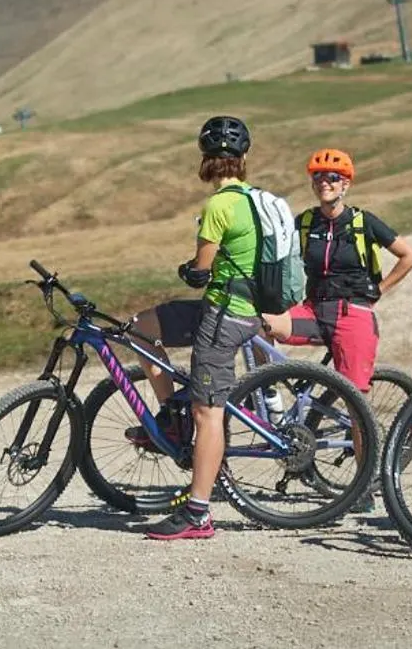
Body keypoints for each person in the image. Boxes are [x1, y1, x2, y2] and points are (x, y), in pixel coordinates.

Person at [138, 114, 267, 541]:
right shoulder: (256, 200)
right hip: (243, 309)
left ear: (204, 158)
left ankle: (198, 513)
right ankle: (171, 418)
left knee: (208, 411)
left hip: (225, 314)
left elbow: (200, 272)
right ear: (244, 157)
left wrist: (189, 268)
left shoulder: (218, 206)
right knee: (141, 328)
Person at [260, 148, 412, 395]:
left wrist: (378, 290)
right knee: (259, 324)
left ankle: (360, 423)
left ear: (345, 184)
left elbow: (409, 256)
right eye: (318, 176)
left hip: (352, 314)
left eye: (332, 177)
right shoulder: (305, 222)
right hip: (313, 311)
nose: (324, 182)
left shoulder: (362, 222)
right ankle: (266, 393)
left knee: (355, 398)